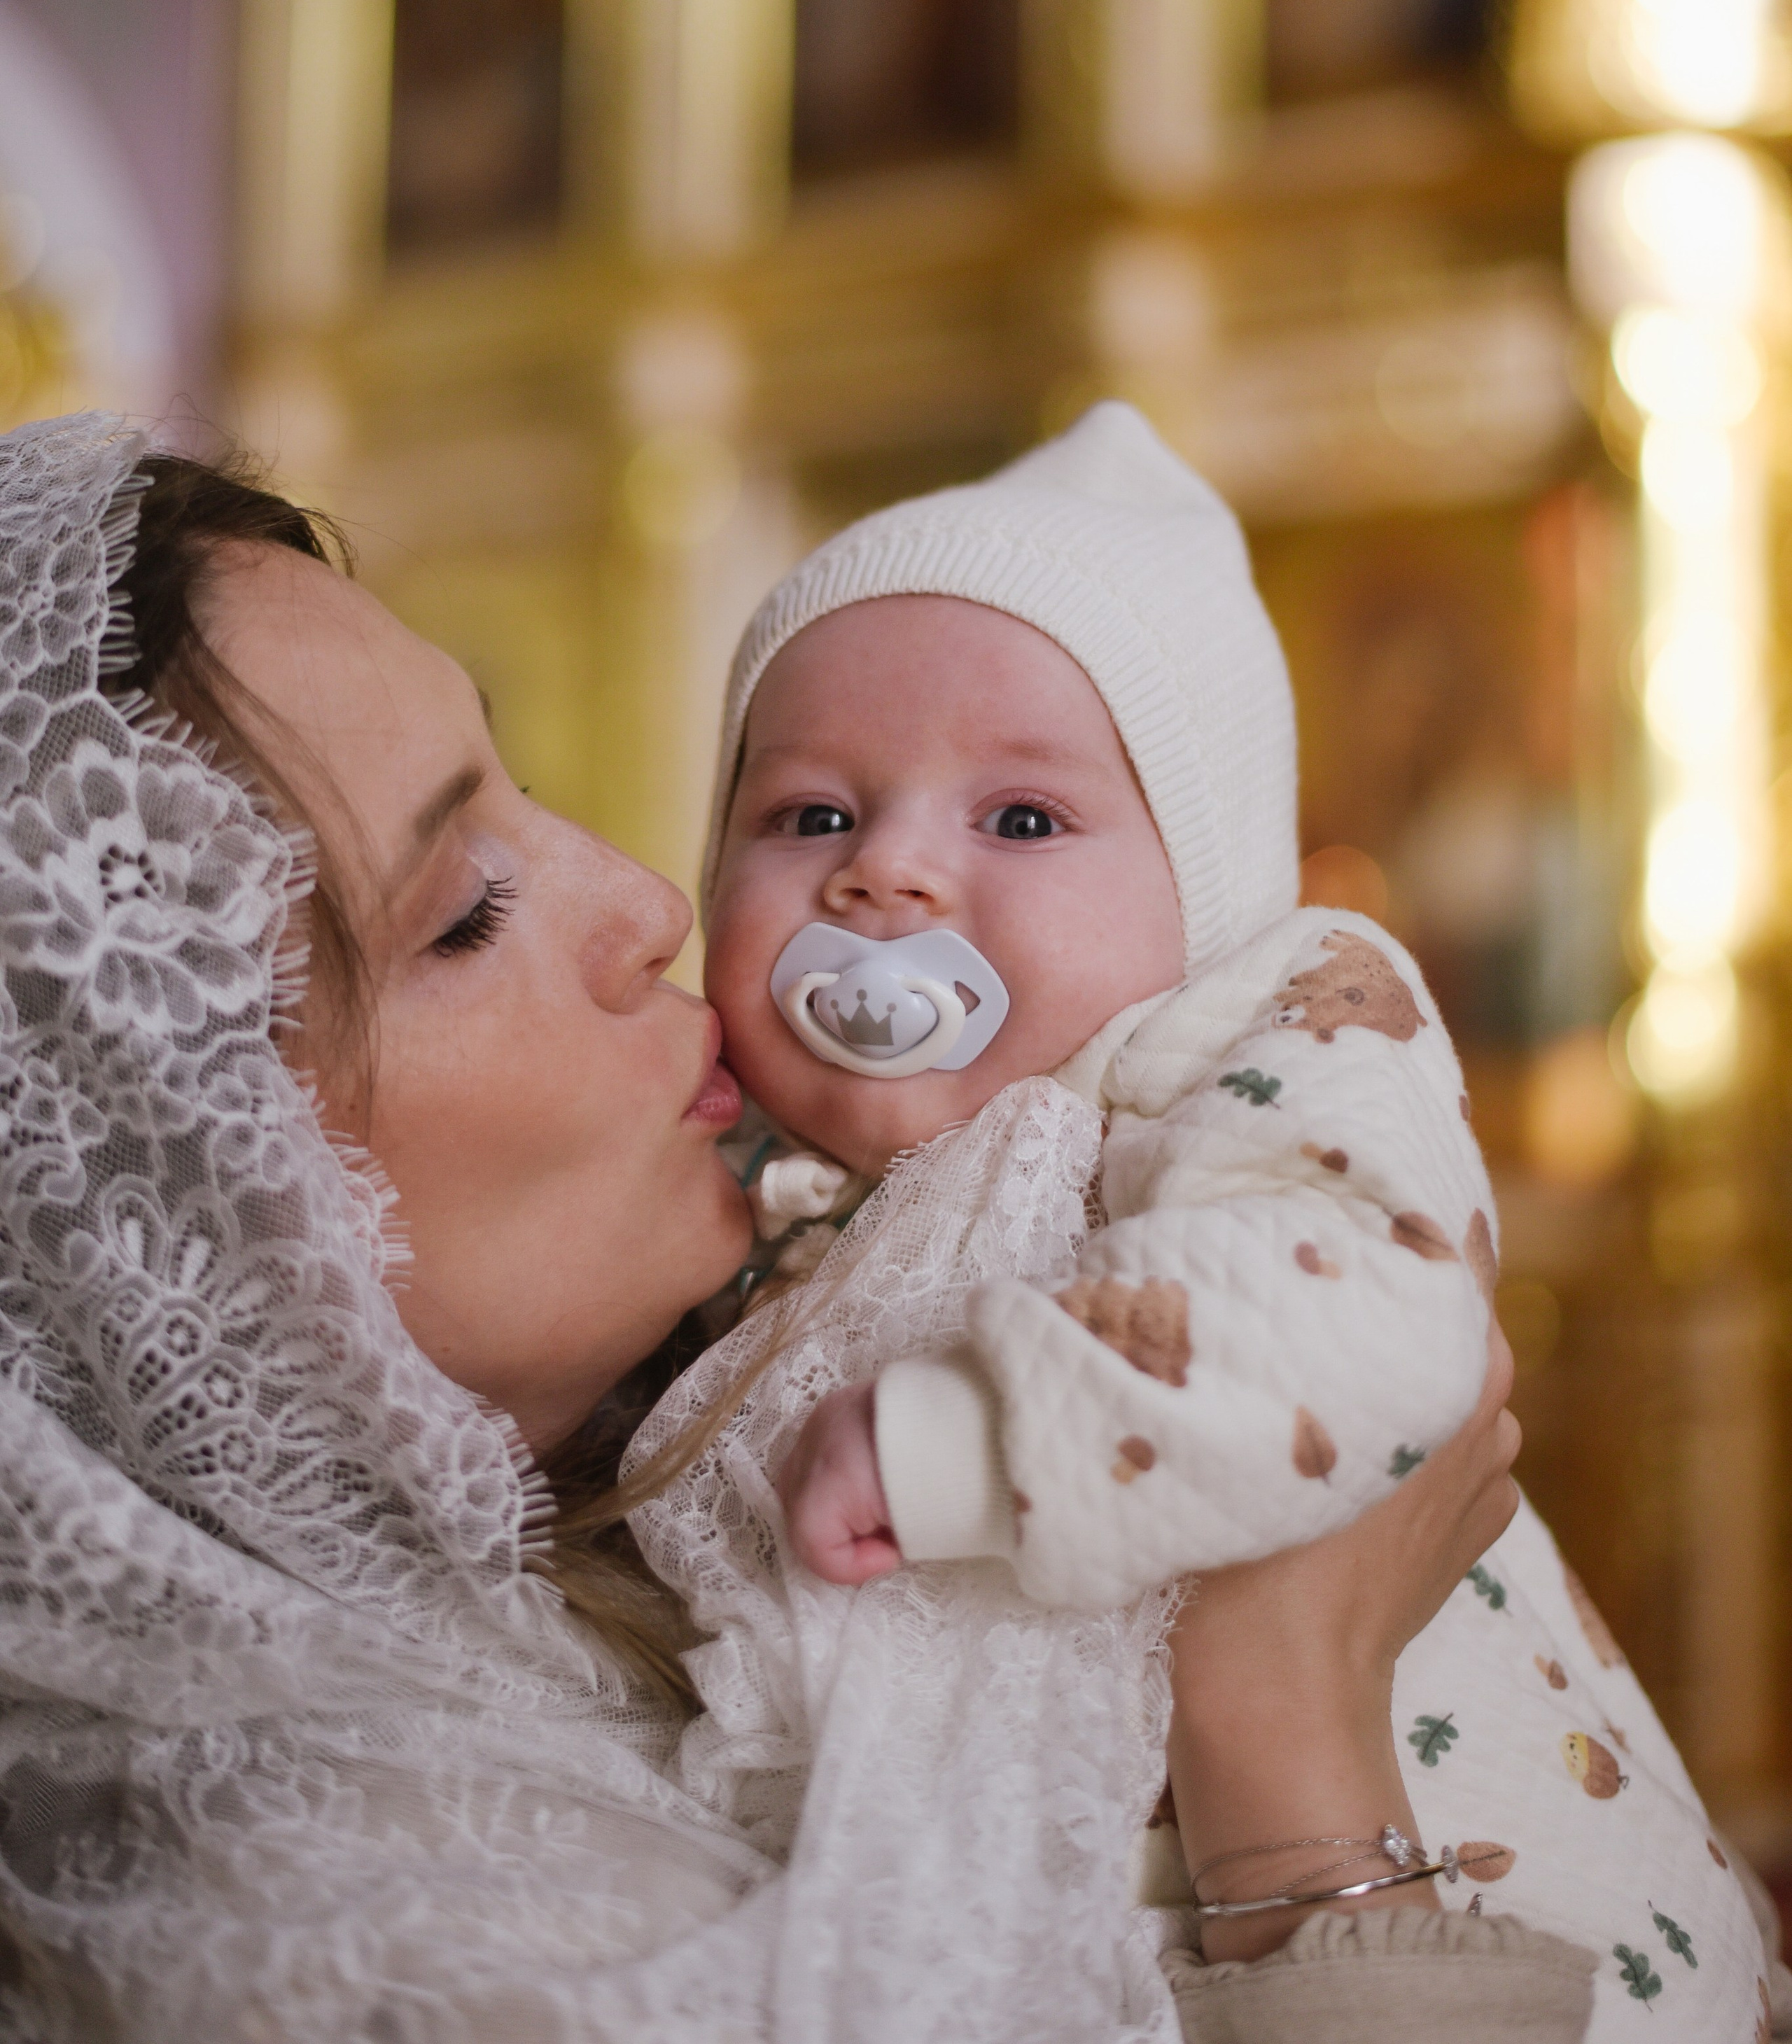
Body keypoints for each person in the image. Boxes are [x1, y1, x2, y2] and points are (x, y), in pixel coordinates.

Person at [0, 411, 1716, 2040]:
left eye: (1022, 819)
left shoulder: (1250, 1065)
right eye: (465, 910)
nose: (647, 902)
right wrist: (1289, 1755)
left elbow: (1359, 1315)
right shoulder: (345, 1925)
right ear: (160, 1185)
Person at [637, 402, 1775, 2041]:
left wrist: (964, 1436)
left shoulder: (1275, 1031)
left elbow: (1374, 1313)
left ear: (1205, 893)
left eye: (1019, 819)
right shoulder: (746, 1203)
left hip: (1486, 1924)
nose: (885, 874)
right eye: (809, 814)